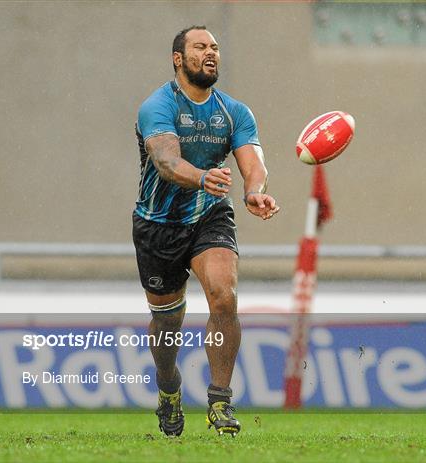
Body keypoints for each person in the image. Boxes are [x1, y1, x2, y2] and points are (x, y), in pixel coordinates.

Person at [132, 25, 280, 437]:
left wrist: (254, 192)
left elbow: (254, 164)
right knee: (167, 320)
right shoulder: (157, 105)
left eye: (214, 47)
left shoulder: (235, 111)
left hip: (209, 215)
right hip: (157, 225)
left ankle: (219, 401)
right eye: (200, 47)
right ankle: (169, 388)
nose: (210, 53)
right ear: (178, 58)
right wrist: (202, 177)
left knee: (223, 295)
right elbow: (165, 161)